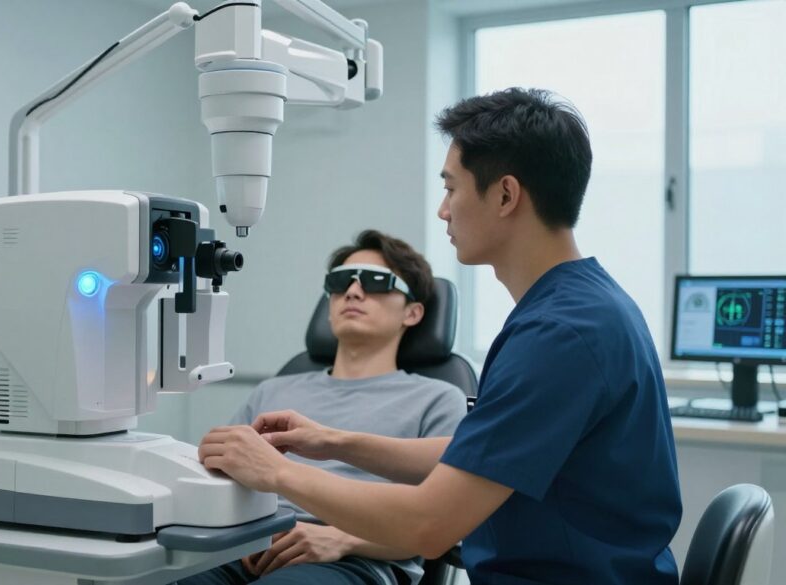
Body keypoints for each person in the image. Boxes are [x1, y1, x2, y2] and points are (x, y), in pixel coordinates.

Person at [197, 88, 683, 585]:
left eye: (451, 188)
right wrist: (333, 441)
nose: (443, 210)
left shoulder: (560, 335)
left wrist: (278, 472)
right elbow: (482, 453)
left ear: (506, 195)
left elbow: (428, 526)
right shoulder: (577, 310)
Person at [183, 230, 468, 585]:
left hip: (352, 559)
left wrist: (343, 538)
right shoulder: (274, 390)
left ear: (412, 312)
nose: (353, 292)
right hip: (243, 547)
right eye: (340, 281)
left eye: (375, 282)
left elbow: (444, 517)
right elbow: (217, 477)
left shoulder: (438, 399)